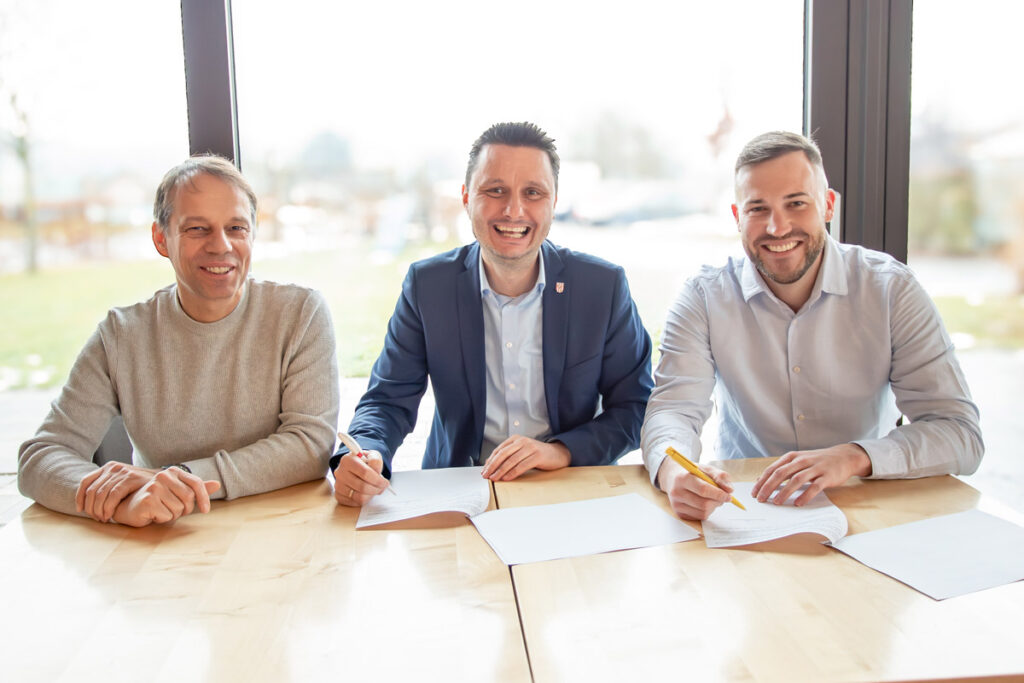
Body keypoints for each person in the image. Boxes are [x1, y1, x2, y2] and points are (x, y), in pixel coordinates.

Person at [642, 131, 983, 520]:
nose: (777, 227)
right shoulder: (703, 296)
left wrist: (855, 456)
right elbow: (673, 411)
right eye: (758, 209)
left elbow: (959, 433)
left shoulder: (892, 289)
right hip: (745, 507)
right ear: (738, 217)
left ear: (828, 205)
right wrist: (674, 472)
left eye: (796, 203)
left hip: (866, 503)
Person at [332, 121, 653, 506]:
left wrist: (561, 451)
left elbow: (636, 407)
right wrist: (366, 452)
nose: (514, 210)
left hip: (570, 487)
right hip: (458, 492)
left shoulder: (602, 286)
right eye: (495, 190)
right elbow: (386, 400)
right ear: (467, 198)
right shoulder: (427, 286)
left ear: (553, 202)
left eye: (532, 193)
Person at [18, 155, 340, 527]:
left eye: (236, 227)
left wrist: (179, 478)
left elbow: (309, 445)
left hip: (282, 528)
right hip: (165, 534)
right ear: (161, 238)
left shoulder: (300, 313)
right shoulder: (121, 335)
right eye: (197, 229)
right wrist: (119, 501)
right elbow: (41, 458)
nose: (221, 245)